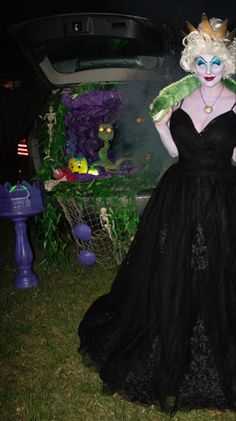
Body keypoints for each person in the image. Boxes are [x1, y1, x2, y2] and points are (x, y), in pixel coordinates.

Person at [78, 14, 236, 413]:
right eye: (201, 62)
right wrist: (162, 125)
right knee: (175, 267)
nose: (209, 70)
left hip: (221, 195)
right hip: (179, 194)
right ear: (192, 63)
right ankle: (174, 333)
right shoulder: (178, 100)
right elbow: (172, 151)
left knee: (220, 266)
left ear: (227, 62)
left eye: (216, 61)